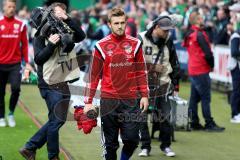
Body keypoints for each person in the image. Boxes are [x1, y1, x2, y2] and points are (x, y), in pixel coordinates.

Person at [19, 2, 86, 160]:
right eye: (58, 13)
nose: (60, 15)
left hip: (63, 80)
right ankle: (52, 156)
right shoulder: (40, 33)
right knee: (56, 121)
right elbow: (38, 59)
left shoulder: (66, 29)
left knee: (58, 120)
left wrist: (68, 19)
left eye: (63, 12)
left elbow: (81, 36)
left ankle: (30, 147)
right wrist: (50, 45)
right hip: (48, 82)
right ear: (50, 14)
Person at [83, 7, 149, 160]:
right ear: (109, 24)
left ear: (126, 23)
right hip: (108, 100)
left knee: (132, 140)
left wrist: (145, 95)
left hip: (131, 100)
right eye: (116, 23)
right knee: (110, 145)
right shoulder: (100, 46)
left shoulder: (135, 44)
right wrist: (88, 102)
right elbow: (94, 77)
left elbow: (141, 71)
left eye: (122, 22)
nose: (120, 26)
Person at [138, 15, 181, 157]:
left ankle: (166, 146)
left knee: (166, 116)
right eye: (165, 30)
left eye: (169, 31)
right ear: (156, 28)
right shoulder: (140, 38)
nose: (167, 33)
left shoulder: (168, 40)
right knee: (142, 116)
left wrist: (176, 84)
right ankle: (145, 147)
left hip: (164, 83)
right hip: (144, 84)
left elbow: (174, 62)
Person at [182, 11, 225, 132]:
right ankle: (209, 123)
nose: (203, 20)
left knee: (194, 98)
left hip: (193, 69)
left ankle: (194, 122)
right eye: (201, 18)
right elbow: (208, 54)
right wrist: (212, 65)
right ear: (197, 21)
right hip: (201, 69)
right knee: (205, 98)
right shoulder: (199, 35)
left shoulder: (190, 33)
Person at [0, 0, 30, 127]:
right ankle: (1, 116)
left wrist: (27, 63)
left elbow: (25, 45)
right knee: (0, 92)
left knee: (16, 89)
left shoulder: (21, 24)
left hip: (15, 64)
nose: (11, 9)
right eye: (9, 6)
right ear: (4, 7)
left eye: (13, 6)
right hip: (0, 64)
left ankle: (11, 113)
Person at [227, 3, 240, 123]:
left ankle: (237, 112)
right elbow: (234, 52)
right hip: (235, 66)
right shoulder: (236, 35)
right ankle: (234, 114)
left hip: (237, 65)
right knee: (237, 89)